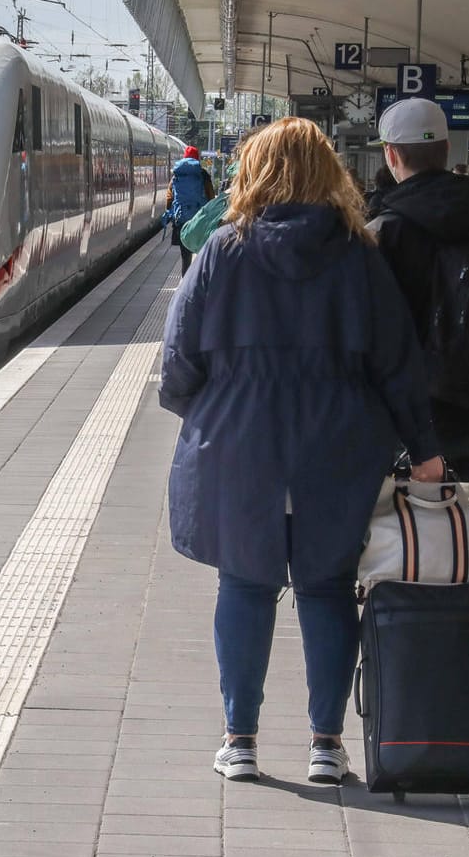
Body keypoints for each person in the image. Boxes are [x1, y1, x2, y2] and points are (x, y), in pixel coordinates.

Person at [162, 117, 442, 787]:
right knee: (324, 588)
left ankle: (241, 742)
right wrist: (426, 449)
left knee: (245, 582)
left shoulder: (222, 252)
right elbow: (397, 364)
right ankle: (326, 744)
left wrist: (211, 410)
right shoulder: (359, 255)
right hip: (338, 443)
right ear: (329, 175)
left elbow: (178, 364)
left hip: (239, 441)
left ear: (253, 171)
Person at [368, 98, 469, 485]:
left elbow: (373, 336)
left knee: (405, 540)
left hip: (408, 422)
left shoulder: (386, 232)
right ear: (446, 150)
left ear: (391, 155)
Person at [166, 146, 215, 274]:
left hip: (182, 219)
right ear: (197, 157)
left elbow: (169, 197)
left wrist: (170, 214)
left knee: (185, 257)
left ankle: (185, 281)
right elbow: (211, 196)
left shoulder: (177, 175)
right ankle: (198, 280)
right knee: (201, 253)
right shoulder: (203, 174)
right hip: (200, 219)